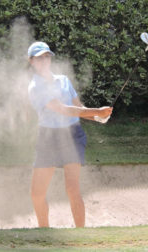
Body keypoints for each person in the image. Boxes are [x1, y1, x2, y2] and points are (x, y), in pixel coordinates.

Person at [27, 42, 113, 228]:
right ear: (31, 61)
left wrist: (98, 117)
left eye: (47, 56)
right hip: (48, 138)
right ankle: (44, 232)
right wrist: (97, 110)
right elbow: (63, 109)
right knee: (37, 194)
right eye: (39, 57)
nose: (44, 60)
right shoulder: (35, 87)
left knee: (72, 188)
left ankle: (80, 234)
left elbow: (79, 108)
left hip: (72, 135)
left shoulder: (64, 80)